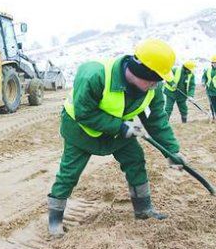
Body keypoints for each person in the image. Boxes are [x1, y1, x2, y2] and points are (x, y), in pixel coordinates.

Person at [47, 39, 186, 237]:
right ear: (142, 71)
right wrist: (120, 127)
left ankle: (144, 210)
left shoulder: (153, 88)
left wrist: (172, 151)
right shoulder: (95, 75)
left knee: (135, 160)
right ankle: (55, 221)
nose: (155, 84)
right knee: (69, 172)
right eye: (153, 79)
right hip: (81, 130)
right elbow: (84, 113)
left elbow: (157, 120)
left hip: (120, 131)